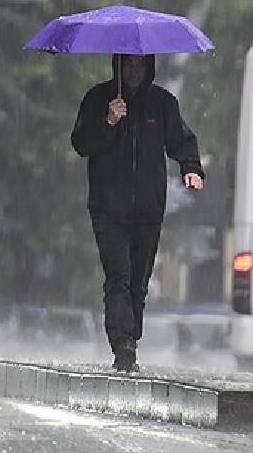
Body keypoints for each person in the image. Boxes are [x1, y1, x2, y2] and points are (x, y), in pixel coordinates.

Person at [71, 53, 205, 372]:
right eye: (128, 64)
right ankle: (123, 345)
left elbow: (182, 141)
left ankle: (131, 336)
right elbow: (81, 142)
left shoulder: (161, 104)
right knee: (118, 275)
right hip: (108, 209)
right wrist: (109, 122)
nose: (134, 70)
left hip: (148, 209)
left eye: (140, 64)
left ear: (148, 67)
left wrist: (191, 168)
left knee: (138, 282)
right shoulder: (97, 98)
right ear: (118, 64)